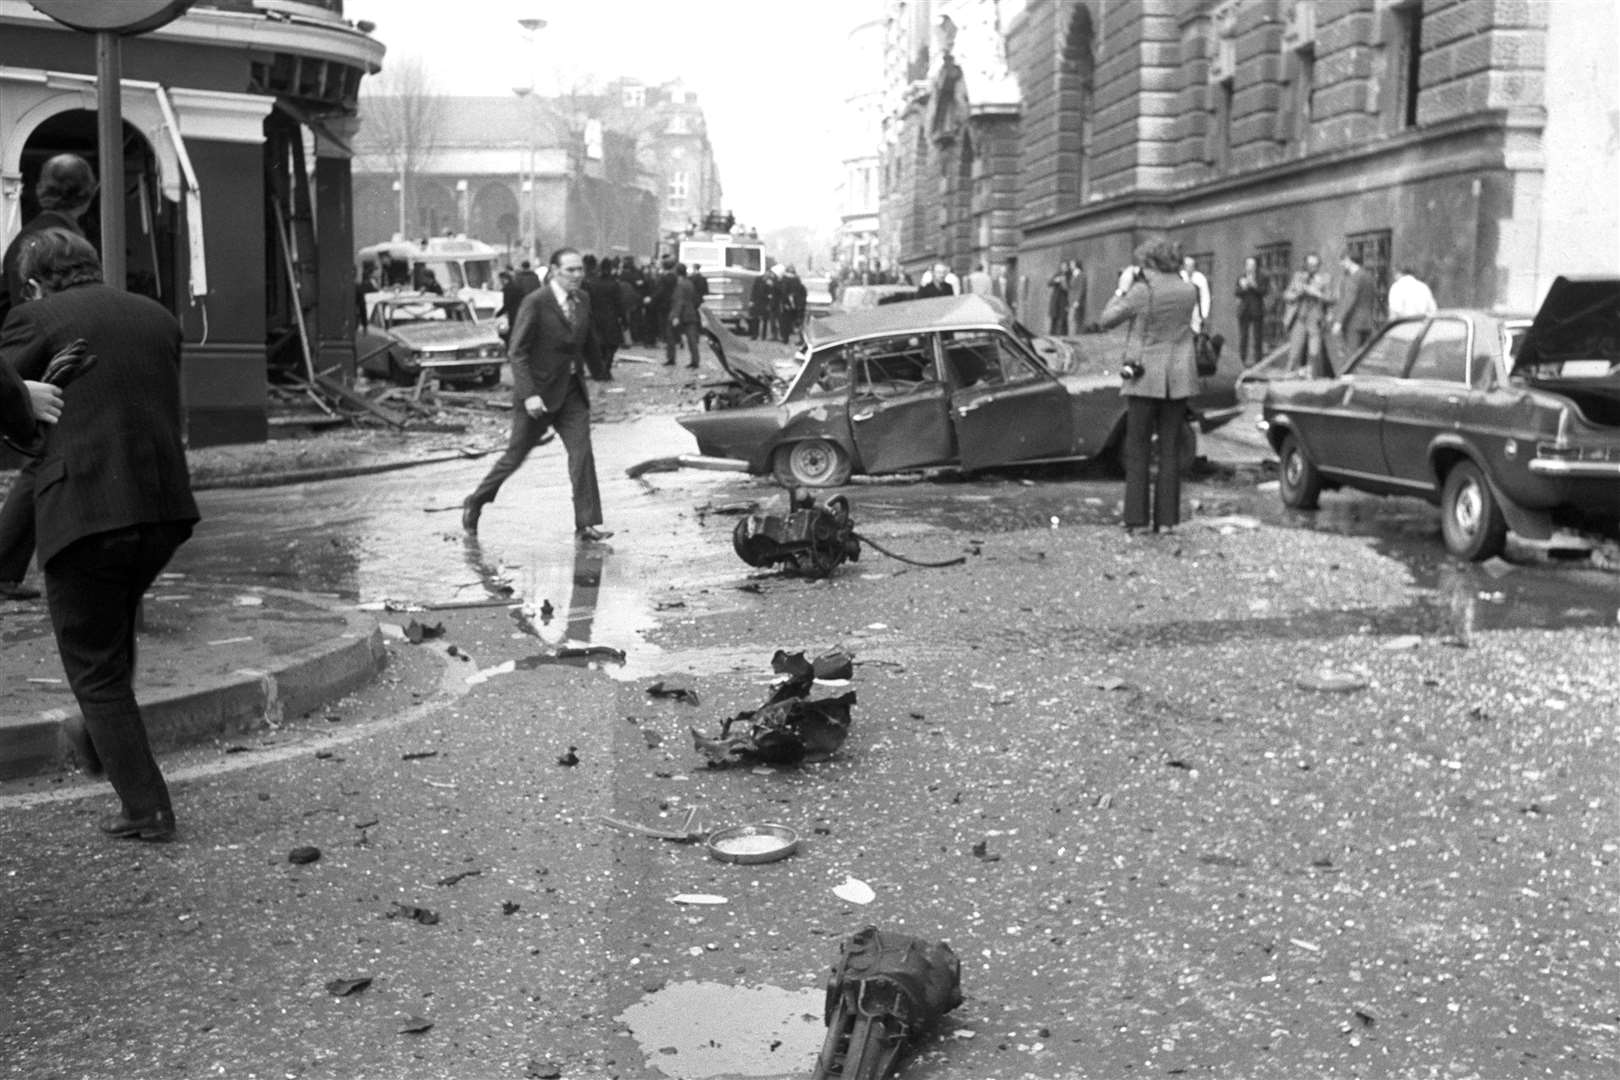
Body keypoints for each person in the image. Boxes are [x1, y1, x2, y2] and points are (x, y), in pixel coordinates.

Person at [0, 228, 198, 842]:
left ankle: (147, 809)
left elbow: (12, 406)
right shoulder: (156, 317)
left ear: (34, 283)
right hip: (163, 511)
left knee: (95, 669)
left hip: (86, 510)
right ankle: (102, 739)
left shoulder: (31, 318)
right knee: (109, 632)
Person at [462, 247, 610, 542]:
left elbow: (582, 341)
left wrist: (602, 372)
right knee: (514, 457)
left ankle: (587, 523)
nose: (577, 276)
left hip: (570, 392)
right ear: (554, 271)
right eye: (571, 270)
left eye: (580, 270)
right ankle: (476, 500)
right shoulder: (536, 302)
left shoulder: (582, 299)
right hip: (537, 395)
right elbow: (518, 352)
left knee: (582, 455)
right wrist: (529, 394)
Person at [0, 154, 97, 602]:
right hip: (49, 354)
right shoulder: (65, 240)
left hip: (23, 353)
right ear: (89, 195)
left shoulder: (25, 235)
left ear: (41, 191)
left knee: (47, 459)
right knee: (47, 458)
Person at [1098, 236, 1199, 534]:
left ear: (1150, 261)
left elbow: (1106, 320)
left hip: (1145, 377)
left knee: (1138, 447)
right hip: (1178, 377)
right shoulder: (1189, 289)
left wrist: (1122, 287)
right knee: (1169, 450)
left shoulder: (1143, 291)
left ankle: (1137, 520)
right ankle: (1166, 521)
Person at [1282, 252, 1333, 377]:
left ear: (1318, 266)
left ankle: (1310, 378)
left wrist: (1317, 293)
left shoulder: (1325, 278)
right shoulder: (1298, 277)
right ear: (1305, 264)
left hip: (1315, 319)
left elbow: (1331, 298)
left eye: (1315, 265)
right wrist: (1298, 293)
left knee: (1314, 353)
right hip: (1300, 318)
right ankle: (1287, 376)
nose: (1312, 267)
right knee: (1294, 353)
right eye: (1309, 264)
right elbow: (1286, 295)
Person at [581, 253, 621, 380]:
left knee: (600, 343)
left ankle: (601, 369)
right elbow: (619, 302)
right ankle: (606, 368)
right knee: (611, 344)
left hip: (596, 317)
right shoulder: (614, 284)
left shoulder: (592, 283)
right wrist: (623, 319)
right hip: (611, 317)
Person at [1333, 251, 1378, 352]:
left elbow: (1349, 300)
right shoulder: (1368, 276)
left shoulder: (1353, 277)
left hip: (1353, 322)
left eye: (1342, 261)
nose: (1341, 264)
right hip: (1367, 322)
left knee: (1352, 357)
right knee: (1363, 356)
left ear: (1348, 260)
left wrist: (1338, 321)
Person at [665, 262, 701, 369]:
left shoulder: (680, 285)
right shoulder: (689, 283)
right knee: (691, 339)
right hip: (690, 313)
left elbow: (679, 301)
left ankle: (671, 358)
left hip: (680, 313)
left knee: (670, 335)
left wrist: (675, 316)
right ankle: (695, 360)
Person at [1233, 256, 1267, 367]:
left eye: (1253, 265)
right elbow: (1237, 292)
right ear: (1245, 266)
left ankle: (1258, 363)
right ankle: (1241, 363)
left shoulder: (1261, 277)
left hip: (1257, 310)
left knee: (1258, 338)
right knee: (1243, 337)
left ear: (1256, 266)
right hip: (1244, 311)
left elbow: (1264, 291)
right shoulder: (1241, 277)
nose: (1250, 267)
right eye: (1248, 265)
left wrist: (1253, 285)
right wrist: (1244, 287)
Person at [1180, 254, 1211, 332]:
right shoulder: (1180, 276)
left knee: (1195, 329)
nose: (1189, 268)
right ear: (1184, 266)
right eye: (1187, 266)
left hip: (1195, 308)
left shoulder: (1200, 278)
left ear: (1194, 267)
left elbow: (1205, 296)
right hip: (1182, 307)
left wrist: (1204, 313)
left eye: (1191, 266)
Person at [779, 265, 807, 342]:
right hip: (796, 305)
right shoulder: (797, 281)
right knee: (795, 322)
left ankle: (785, 337)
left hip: (788, 304)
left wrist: (785, 303)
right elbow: (802, 294)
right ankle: (799, 338)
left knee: (785, 321)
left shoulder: (784, 280)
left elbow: (783, 293)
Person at [748, 267, 774, 340]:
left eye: (769, 273)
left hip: (765, 302)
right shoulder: (758, 279)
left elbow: (772, 292)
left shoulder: (771, 281)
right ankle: (754, 335)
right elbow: (754, 290)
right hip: (757, 301)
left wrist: (771, 286)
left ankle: (763, 336)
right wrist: (751, 300)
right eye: (767, 272)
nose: (768, 274)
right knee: (755, 319)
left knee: (765, 320)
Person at [1066, 259, 1088, 335]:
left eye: (1072, 264)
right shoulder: (1073, 274)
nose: (1070, 265)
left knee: (1073, 319)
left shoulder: (1081, 275)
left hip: (1075, 301)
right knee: (1072, 319)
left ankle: (1072, 335)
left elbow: (1081, 289)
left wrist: (1077, 301)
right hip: (1071, 300)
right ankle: (1072, 334)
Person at [1047, 263, 1070, 334]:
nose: (1064, 268)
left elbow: (1068, 288)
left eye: (1065, 267)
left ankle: (1063, 333)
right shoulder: (1057, 274)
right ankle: (1052, 333)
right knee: (1054, 317)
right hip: (1055, 300)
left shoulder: (1069, 275)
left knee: (1063, 318)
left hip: (1064, 300)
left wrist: (1064, 282)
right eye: (1063, 267)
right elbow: (1049, 283)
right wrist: (1056, 280)